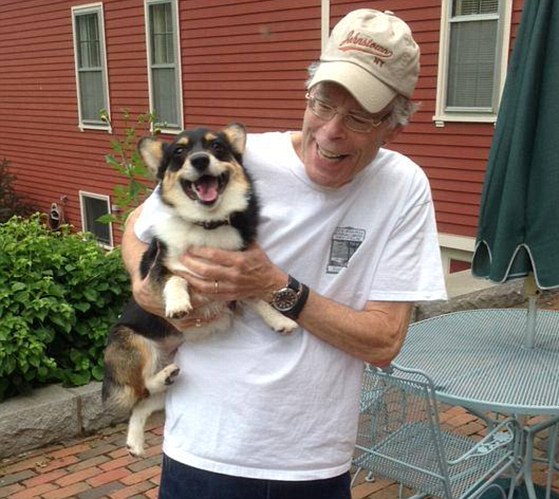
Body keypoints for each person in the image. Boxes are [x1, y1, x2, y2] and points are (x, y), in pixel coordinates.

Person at [121, 8, 447, 499]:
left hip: (312, 461)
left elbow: (384, 342)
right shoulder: (237, 161)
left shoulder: (403, 188)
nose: (331, 130)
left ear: (393, 126)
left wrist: (276, 286)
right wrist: (144, 290)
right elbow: (135, 227)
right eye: (323, 103)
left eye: (358, 116)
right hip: (204, 448)